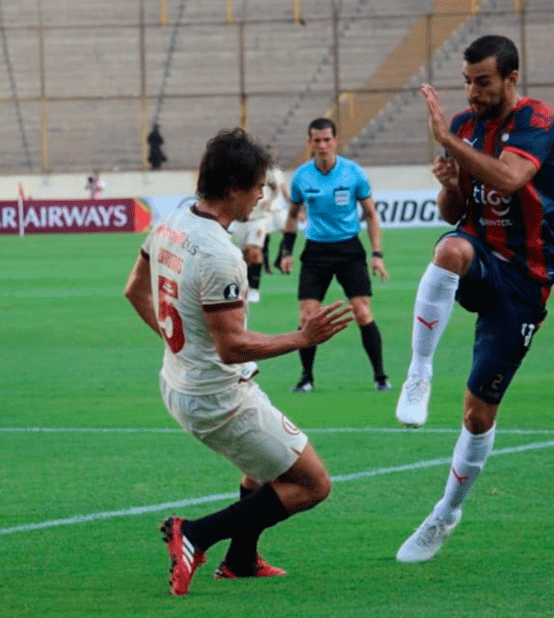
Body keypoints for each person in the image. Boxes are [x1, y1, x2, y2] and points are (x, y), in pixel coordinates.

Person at [123, 127, 353, 597]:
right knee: (312, 484)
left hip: (179, 383)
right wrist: (302, 337)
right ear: (232, 188)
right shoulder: (218, 253)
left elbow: (134, 290)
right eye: (257, 188)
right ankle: (196, 535)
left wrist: (178, 345)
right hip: (217, 397)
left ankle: (241, 558)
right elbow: (231, 346)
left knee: (263, 467)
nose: (261, 198)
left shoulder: (169, 222)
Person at [393, 35, 554, 563]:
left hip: (524, 279)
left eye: (483, 82)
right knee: (448, 249)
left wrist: (451, 144)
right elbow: (454, 211)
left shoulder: (538, 121)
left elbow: (511, 178)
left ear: (511, 78)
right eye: (467, 82)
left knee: (477, 415)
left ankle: (445, 513)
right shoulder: (466, 129)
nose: (472, 92)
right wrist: (449, 182)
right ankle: (418, 371)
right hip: (478, 253)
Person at [278, 117, 391, 392]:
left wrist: (377, 254)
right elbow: (292, 216)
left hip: (349, 249)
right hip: (315, 252)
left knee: (363, 312)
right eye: (317, 141)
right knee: (307, 317)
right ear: (310, 143)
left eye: (327, 140)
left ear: (336, 141)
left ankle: (380, 376)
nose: (323, 145)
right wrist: (286, 252)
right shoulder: (302, 177)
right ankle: (306, 378)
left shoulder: (353, 173)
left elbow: (372, 214)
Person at [228, 163, 289, 303]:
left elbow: (276, 188)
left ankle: (254, 288)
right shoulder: (235, 175)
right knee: (244, 255)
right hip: (243, 220)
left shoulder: (264, 173)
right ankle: (244, 285)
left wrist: (271, 200)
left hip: (260, 219)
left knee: (254, 252)